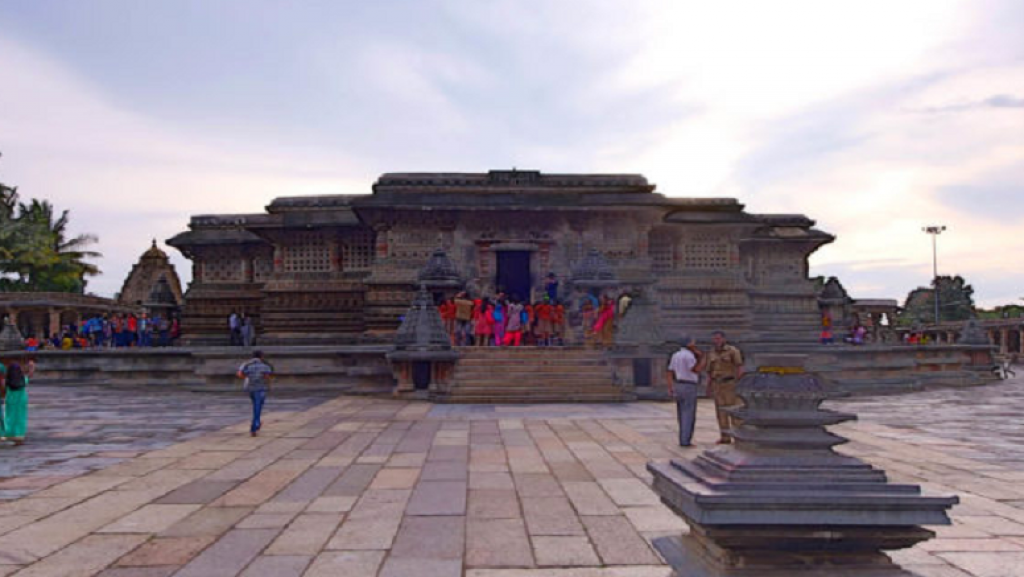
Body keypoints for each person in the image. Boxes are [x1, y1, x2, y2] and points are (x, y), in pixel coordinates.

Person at [706, 331, 744, 444]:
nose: (716, 341)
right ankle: (725, 436)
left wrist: (739, 382)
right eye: (714, 339)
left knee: (734, 410)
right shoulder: (711, 353)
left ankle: (739, 435)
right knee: (721, 412)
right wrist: (708, 386)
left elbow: (740, 367)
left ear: (724, 339)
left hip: (730, 384)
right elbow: (709, 371)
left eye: (718, 338)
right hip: (717, 384)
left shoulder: (733, 351)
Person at [667, 335, 704, 447]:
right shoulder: (689, 356)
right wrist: (702, 358)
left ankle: (683, 437)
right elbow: (695, 369)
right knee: (688, 413)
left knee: (681, 412)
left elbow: (669, 371)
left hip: (678, 384)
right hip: (689, 385)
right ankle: (685, 440)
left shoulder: (675, 355)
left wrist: (670, 386)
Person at [237, 350, 274, 437]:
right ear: (261, 356)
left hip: (250, 388)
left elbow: (239, 374)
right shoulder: (265, 365)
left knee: (256, 405)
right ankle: (255, 426)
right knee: (258, 406)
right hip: (261, 388)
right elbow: (267, 376)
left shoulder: (246, 364)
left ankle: (256, 422)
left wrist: (248, 377)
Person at [1, 359, 33, 445]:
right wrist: (31, 367)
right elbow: (29, 375)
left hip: (10, 400)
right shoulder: (23, 379)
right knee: (20, 417)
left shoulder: (7, 381)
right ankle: (19, 434)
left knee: (10, 416)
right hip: (21, 400)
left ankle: (10, 433)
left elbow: (3, 391)